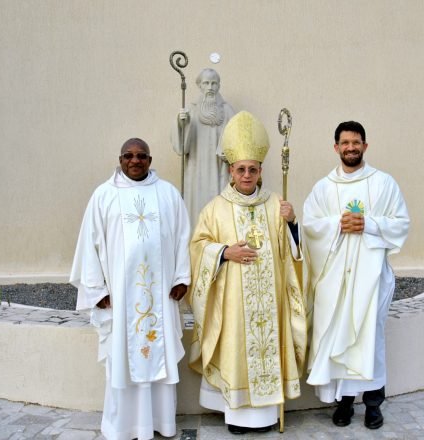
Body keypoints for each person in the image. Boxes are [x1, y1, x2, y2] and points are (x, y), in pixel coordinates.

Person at [187, 111, 307, 435]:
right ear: (231, 171)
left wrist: (293, 223)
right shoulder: (215, 208)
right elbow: (198, 246)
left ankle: (267, 417)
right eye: (241, 169)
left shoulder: (275, 204)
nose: (246, 175)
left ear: (260, 171)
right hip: (234, 304)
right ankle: (237, 418)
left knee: (267, 349)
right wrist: (225, 252)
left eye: (252, 169)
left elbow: (291, 254)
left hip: (271, 303)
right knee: (238, 350)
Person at [69, 138, 190, 440]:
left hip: (161, 295)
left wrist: (181, 277)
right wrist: (97, 290)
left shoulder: (168, 194)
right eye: (129, 156)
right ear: (120, 159)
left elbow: (182, 238)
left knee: (157, 356)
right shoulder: (104, 195)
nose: (135, 161)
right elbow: (89, 247)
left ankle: (160, 422)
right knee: (123, 359)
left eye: (141, 156)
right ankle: (122, 427)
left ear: (150, 160)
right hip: (120, 301)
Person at [302, 121, 410, 430]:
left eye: (356, 142)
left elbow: (401, 223)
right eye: (345, 143)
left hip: (371, 278)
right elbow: (310, 226)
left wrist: (370, 225)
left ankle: (374, 404)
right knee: (339, 337)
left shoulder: (383, 184)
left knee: (369, 339)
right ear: (335, 147)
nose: (351, 147)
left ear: (365, 145)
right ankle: (345, 403)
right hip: (334, 281)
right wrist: (338, 223)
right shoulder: (324, 188)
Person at [172, 68, 236, 219]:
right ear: (199, 86)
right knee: (196, 210)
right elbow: (181, 148)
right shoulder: (191, 111)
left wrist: (227, 151)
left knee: (220, 211)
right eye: (206, 83)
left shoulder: (227, 110)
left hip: (219, 169)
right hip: (196, 171)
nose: (210, 87)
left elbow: (236, 135)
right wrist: (182, 124)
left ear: (219, 86)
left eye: (214, 83)